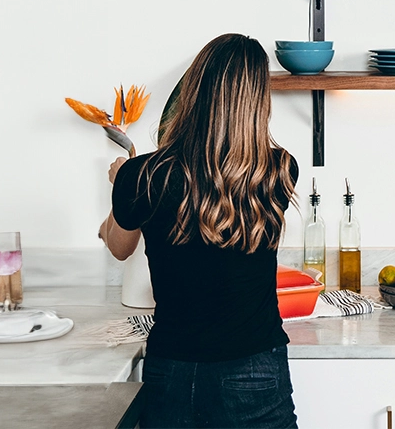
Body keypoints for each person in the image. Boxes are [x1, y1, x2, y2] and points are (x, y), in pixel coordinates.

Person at [100, 33, 300, 428]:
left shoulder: (143, 175)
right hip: (255, 366)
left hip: (173, 367)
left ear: (191, 90)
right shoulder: (278, 169)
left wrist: (122, 182)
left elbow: (118, 246)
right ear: (258, 101)